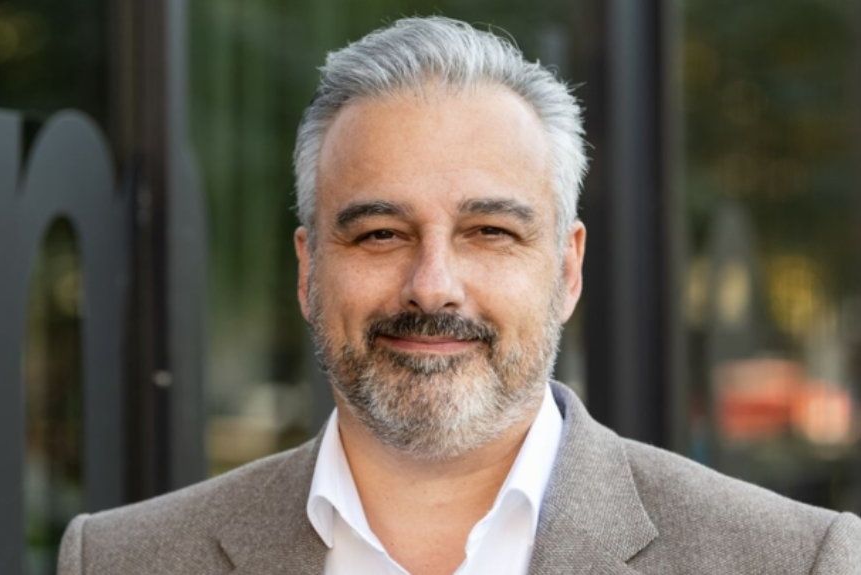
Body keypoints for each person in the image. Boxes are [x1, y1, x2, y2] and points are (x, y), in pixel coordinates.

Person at [58, 16, 861, 575]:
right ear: (308, 271)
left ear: (567, 269)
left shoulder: (791, 560)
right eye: (380, 233)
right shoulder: (121, 560)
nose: (433, 285)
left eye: (488, 231)